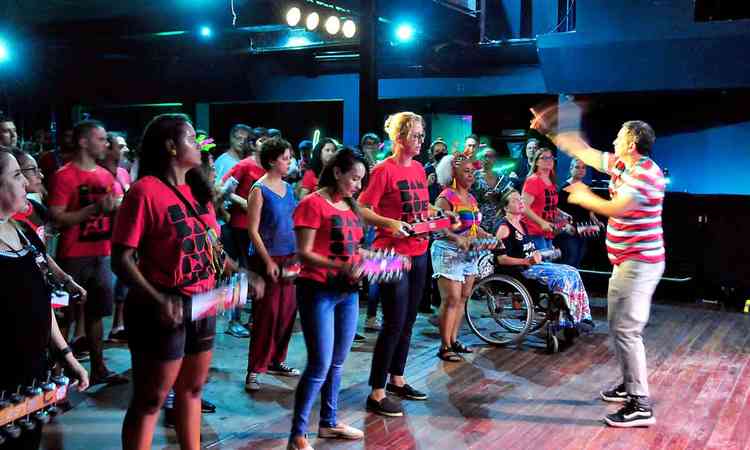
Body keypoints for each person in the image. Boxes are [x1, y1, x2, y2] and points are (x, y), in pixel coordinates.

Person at [112, 114, 263, 450]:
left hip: (202, 304)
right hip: (163, 307)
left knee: (192, 390)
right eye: (192, 139)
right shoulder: (144, 192)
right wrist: (157, 299)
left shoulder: (199, 191)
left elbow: (212, 249)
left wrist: (240, 272)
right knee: (151, 400)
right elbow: (121, 260)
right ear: (170, 146)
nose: (199, 145)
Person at [531, 109, 665, 427]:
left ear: (631, 143)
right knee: (619, 327)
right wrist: (549, 131)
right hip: (626, 262)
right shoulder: (623, 164)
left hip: (640, 264)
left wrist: (584, 195)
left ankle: (640, 405)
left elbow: (615, 207)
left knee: (627, 330)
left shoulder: (646, 174)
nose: (615, 140)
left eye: (620, 136)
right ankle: (629, 385)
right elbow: (583, 151)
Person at [0, 150, 89, 450]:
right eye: (16, 176)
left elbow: (41, 301)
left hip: (32, 376)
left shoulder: (23, 233)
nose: (26, 183)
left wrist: (66, 355)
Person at [359, 111, 440, 417]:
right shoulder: (383, 171)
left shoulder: (419, 168)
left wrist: (436, 214)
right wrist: (389, 222)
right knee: (393, 321)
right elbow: (363, 209)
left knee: (408, 321)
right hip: (390, 254)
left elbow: (420, 205)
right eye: (417, 135)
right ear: (399, 137)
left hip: (419, 250)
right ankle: (376, 393)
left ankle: (397, 379)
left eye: (422, 135)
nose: (421, 140)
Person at [287, 148, 369, 450]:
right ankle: (298, 433)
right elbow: (303, 253)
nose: (357, 185)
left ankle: (329, 423)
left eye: (361, 180)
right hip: (317, 291)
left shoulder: (351, 206)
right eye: (354, 178)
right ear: (337, 172)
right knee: (319, 364)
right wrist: (340, 266)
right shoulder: (311, 204)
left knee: (337, 362)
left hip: (347, 292)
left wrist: (377, 261)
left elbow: (354, 249)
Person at [48, 119, 126, 385]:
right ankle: (55, 374)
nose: (106, 143)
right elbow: (57, 218)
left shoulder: (106, 175)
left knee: (96, 313)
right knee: (65, 315)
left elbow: (115, 207)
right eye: (101, 138)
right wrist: (94, 209)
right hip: (72, 255)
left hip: (101, 253)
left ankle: (99, 368)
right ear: (84, 141)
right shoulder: (64, 175)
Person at [495, 189, 593, 336]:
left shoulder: (523, 225)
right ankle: (565, 322)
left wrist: (550, 252)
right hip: (520, 269)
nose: (521, 202)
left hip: (534, 265)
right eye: (516, 200)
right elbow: (501, 259)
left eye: (521, 199)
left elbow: (532, 252)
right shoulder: (504, 228)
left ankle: (582, 317)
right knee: (561, 278)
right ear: (506, 207)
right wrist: (526, 260)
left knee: (572, 271)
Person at [245, 137, 300, 392]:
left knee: (287, 314)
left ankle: (278, 359)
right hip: (267, 258)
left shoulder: (289, 189)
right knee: (266, 315)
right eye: (285, 158)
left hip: (289, 258)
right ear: (271, 160)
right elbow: (253, 231)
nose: (289, 162)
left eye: (290, 158)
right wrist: (266, 261)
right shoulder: (259, 189)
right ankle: (255, 369)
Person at [432, 152, 496, 362]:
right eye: (466, 171)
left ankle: (453, 339)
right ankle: (445, 345)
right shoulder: (445, 197)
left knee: (462, 298)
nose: (471, 175)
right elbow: (438, 228)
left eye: (472, 171)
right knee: (451, 299)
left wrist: (485, 234)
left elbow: (474, 227)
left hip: (470, 253)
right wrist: (454, 237)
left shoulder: (471, 197)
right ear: (453, 173)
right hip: (448, 251)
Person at [221, 128, 264, 338]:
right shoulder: (245, 165)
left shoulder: (267, 166)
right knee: (242, 274)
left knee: (255, 272)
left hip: (259, 228)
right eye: (262, 141)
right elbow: (222, 188)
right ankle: (234, 320)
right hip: (239, 227)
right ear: (254, 143)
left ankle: (254, 319)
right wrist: (246, 203)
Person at [102, 132, 132, 343]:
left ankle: (118, 326)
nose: (126, 150)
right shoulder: (100, 173)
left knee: (124, 283)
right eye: (121, 147)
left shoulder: (123, 172)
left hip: (122, 234)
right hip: (104, 238)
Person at [555, 158, 603, 268]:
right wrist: (565, 225)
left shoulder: (586, 188)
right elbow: (555, 210)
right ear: (571, 169)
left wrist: (596, 220)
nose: (581, 170)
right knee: (570, 260)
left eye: (583, 167)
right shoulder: (563, 188)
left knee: (578, 259)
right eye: (577, 167)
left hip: (584, 229)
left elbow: (589, 208)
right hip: (570, 231)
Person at [521, 147, 559, 251]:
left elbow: (548, 204)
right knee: (542, 265)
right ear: (537, 162)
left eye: (550, 158)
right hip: (534, 232)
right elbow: (524, 207)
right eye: (544, 158)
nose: (549, 161)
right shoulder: (533, 180)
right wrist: (542, 223)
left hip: (548, 231)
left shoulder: (551, 180)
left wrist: (562, 215)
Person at [472, 146, 501, 233]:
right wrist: (482, 197)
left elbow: (507, 196)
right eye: (485, 156)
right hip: (480, 220)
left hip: (498, 219)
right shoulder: (474, 176)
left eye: (491, 156)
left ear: (495, 159)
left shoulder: (501, 176)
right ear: (480, 158)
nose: (488, 159)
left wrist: (498, 197)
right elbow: (467, 197)